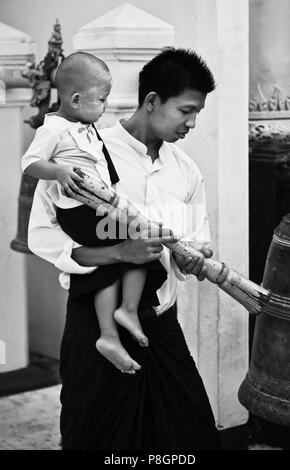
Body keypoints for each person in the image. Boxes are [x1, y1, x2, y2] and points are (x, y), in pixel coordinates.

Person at [28, 47, 220, 450]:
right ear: (152, 100)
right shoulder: (83, 152)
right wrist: (119, 254)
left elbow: (196, 244)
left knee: (191, 437)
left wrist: (196, 257)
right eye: (186, 110)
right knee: (95, 442)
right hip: (92, 327)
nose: (193, 122)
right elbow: (42, 238)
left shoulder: (186, 171)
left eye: (197, 112)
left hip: (161, 325)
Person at [22, 52, 169, 375]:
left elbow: (104, 173)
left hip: (100, 205)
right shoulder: (54, 129)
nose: (105, 106)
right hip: (78, 210)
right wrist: (59, 173)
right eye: (102, 100)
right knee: (117, 255)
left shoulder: (87, 129)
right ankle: (113, 328)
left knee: (133, 248)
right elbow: (29, 162)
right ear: (76, 99)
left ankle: (122, 317)